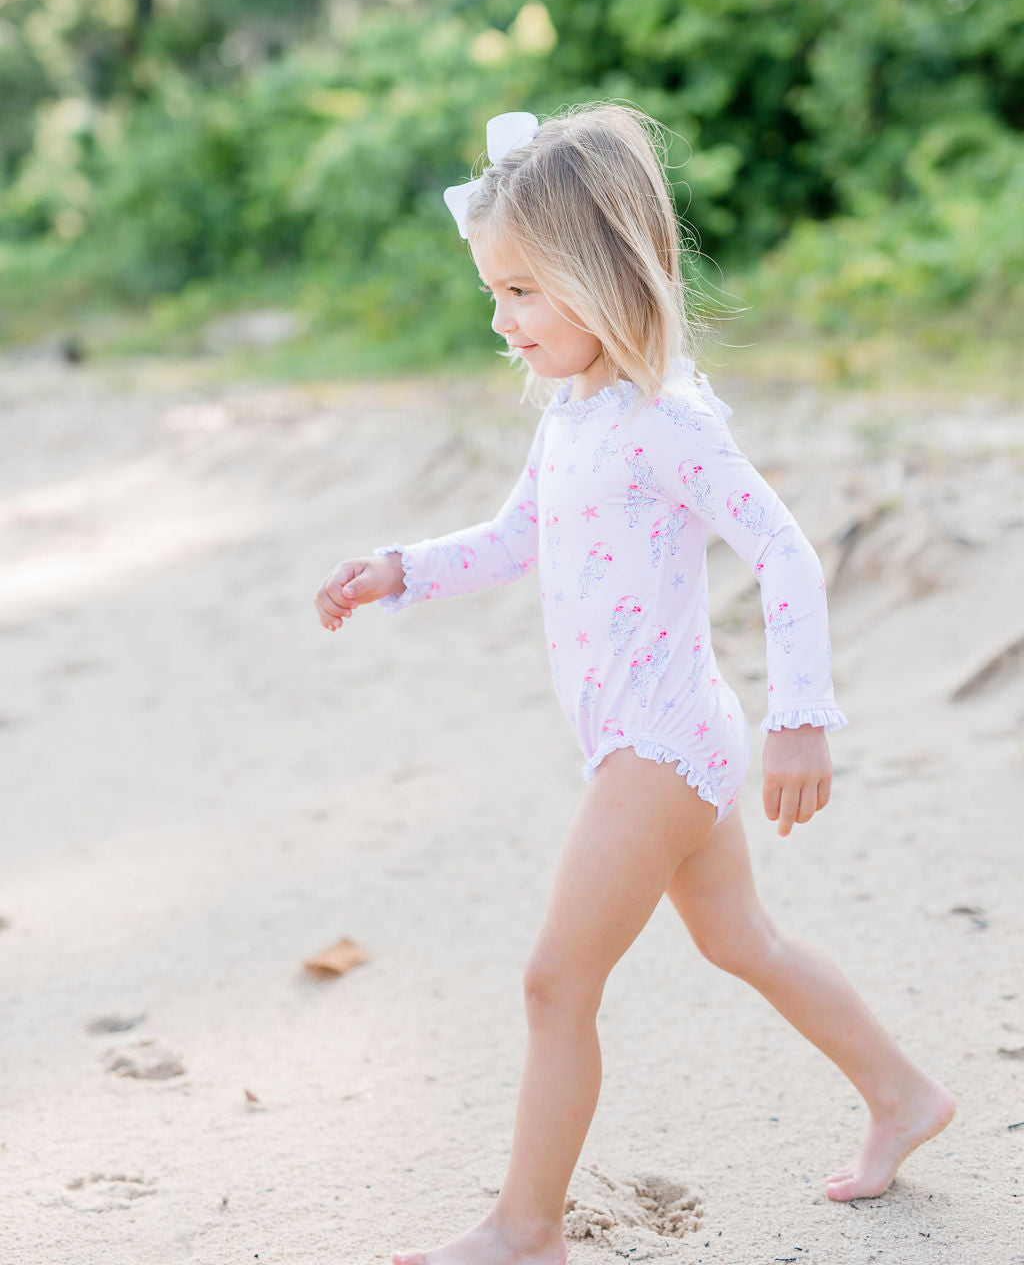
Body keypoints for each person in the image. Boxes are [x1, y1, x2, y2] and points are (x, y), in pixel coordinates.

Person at [314, 105, 954, 1265]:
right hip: (659, 735)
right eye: (493, 293)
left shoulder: (667, 421)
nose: (501, 320)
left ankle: (526, 1226)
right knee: (742, 940)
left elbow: (784, 551)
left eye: (521, 292)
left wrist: (802, 720)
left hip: (662, 744)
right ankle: (901, 1093)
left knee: (555, 982)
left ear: (604, 275)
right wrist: (399, 569)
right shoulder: (576, 412)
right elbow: (517, 537)